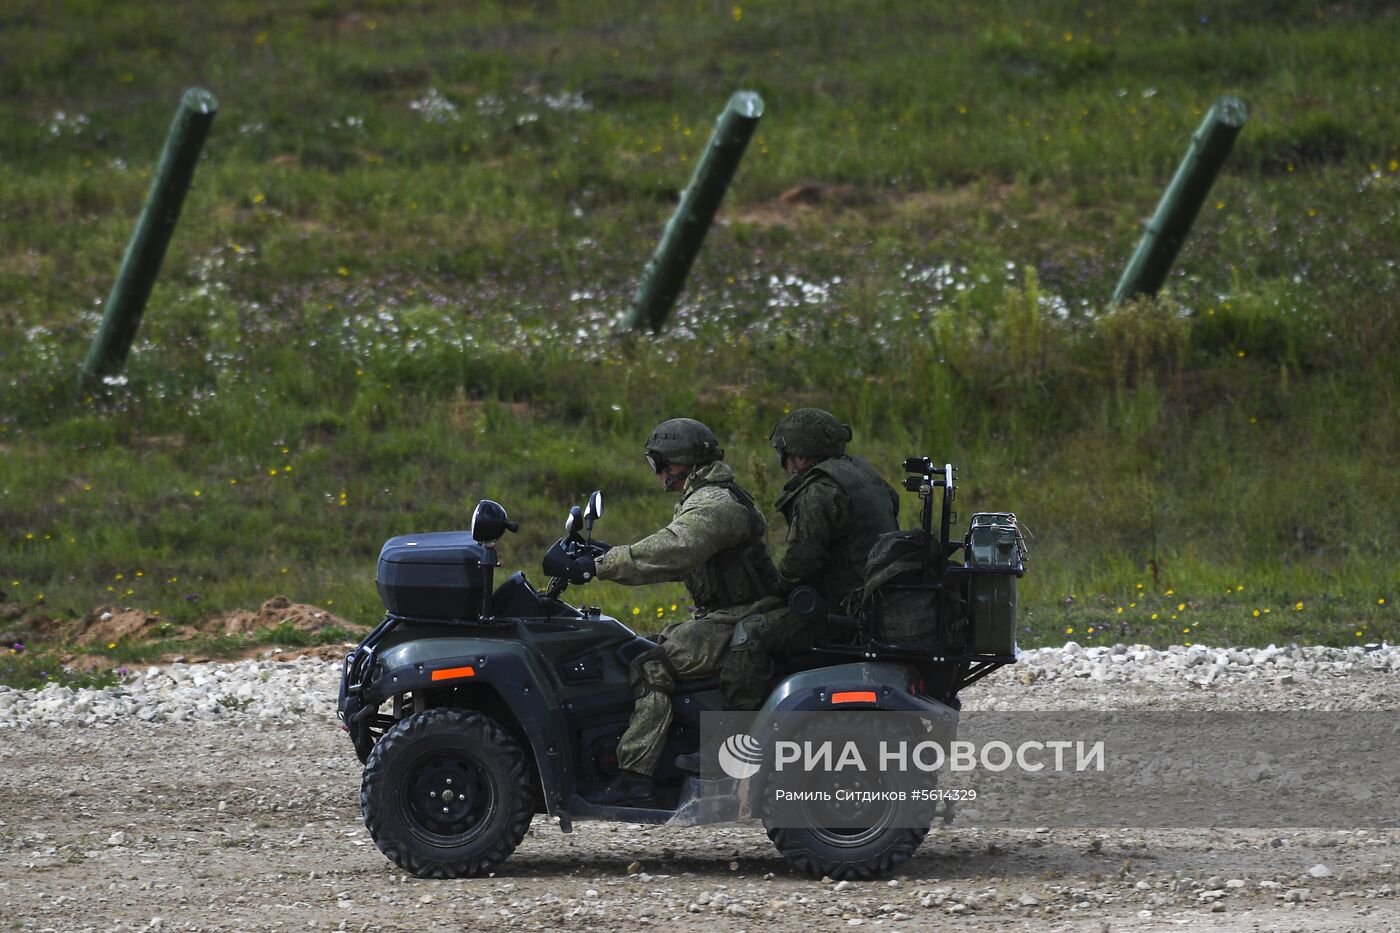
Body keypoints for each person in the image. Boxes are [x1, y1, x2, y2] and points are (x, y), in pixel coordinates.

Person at [552, 417, 779, 806]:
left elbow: (675, 549)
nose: (657, 473)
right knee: (640, 644)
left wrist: (600, 566)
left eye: (659, 463)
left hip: (741, 616)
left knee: (651, 666)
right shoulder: (710, 496)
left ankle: (634, 776)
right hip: (727, 613)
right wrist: (605, 553)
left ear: (682, 462)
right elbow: (679, 557)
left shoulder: (715, 504)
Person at [718, 408, 901, 711]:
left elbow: (803, 561)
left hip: (841, 610)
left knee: (750, 633)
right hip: (871, 600)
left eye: (785, 454)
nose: (784, 463)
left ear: (800, 456)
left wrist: (776, 590)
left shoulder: (820, 490)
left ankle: (733, 737)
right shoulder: (863, 474)